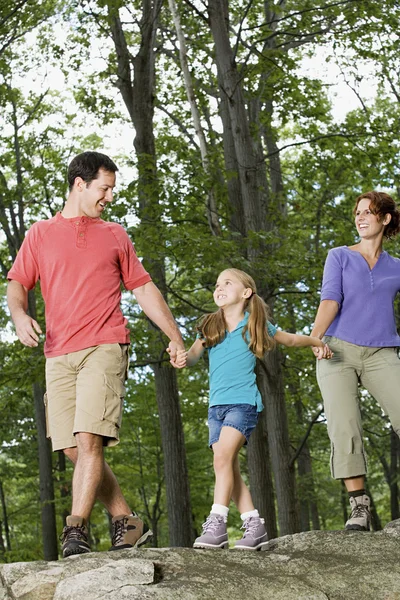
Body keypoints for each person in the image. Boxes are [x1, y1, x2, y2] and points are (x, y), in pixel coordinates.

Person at [7, 151, 185, 558]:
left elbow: (143, 288)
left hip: (105, 344)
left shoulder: (115, 234)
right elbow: (17, 284)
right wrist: (19, 316)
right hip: (58, 352)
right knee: (72, 447)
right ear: (79, 183)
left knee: (90, 438)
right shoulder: (39, 234)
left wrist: (174, 336)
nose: (109, 197)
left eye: (112, 190)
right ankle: (128, 519)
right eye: (104, 188)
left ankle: (76, 529)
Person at [170, 268, 332, 550]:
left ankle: (217, 523)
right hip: (215, 408)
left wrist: (317, 341)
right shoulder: (210, 325)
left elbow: (291, 340)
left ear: (246, 293)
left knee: (222, 459)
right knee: (227, 464)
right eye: (217, 283)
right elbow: (195, 355)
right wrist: (183, 358)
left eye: (227, 283)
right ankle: (254, 526)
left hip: (243, 404)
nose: (219, 287)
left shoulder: (254, 323)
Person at [311, 190, 400, 531]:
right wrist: (315, 338)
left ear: (385, 219)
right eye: (357, 213)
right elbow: (330, 300)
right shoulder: (339, 256)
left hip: (382, 353)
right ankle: (359, 506)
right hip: (337, 350)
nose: (360, 217)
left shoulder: (396, 268)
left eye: (368, 212)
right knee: (344, 426)